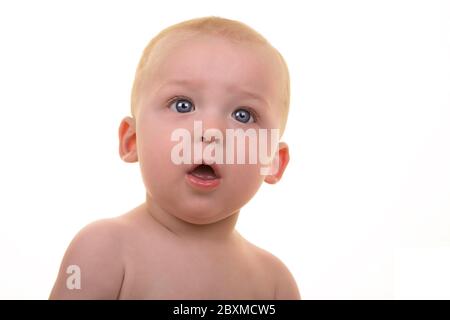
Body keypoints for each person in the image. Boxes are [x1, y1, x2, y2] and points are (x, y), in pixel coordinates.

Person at [50, 16, 300, 299]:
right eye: (183, 105)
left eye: (243, 115)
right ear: (132, 140)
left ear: (273, 161)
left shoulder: (275, 284)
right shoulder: (103, 249)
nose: (210, 132)